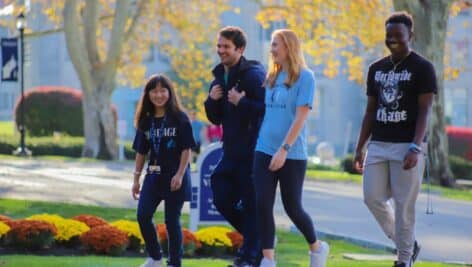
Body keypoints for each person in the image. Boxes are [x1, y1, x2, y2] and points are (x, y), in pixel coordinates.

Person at [353, 11, 437, 267]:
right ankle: (408, 244)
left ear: (410, 35)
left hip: (407, 146)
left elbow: (425, 110)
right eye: (388, 36)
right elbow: (370, 111)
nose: (392, 40)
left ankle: (403, 260)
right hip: (378, 143)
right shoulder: (376, 69)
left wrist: (415, 146)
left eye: (398, 36)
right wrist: (360, 147)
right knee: (371, 197)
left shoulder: (423, 68)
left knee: (403, 206)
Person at [253, 29, 329, 267]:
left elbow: (300, 118)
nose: (272, 49)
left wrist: (284, 149)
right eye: (272, 45)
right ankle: (268, 260)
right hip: (264, 148)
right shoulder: (271, 77)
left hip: (292, 153)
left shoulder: (306, 77)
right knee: (262, 203)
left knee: (292, 207)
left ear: (289, 47)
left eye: (276, 45)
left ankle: (317, 248)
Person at [204, 26, 266, 267]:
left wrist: (242, 102)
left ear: (240, 49)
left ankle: (249, 257)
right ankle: (260, 239)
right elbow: (216, 118)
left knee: (251, 205)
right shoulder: (219, 76)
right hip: (230, 151)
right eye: (219, 46)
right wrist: (212, 101)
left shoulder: (253, 75)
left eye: (226, 47)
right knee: (220, 195)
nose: (221, 51)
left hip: (253, 152)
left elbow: (267, 110)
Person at [132, 74, 195, 267]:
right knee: (143, 215)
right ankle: (155, 257)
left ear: (169, 92)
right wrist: (136, 179)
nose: (158, 95)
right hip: (153, 176)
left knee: (171, 221)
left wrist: (180, 174)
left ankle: (174, 263)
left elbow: (187, 149)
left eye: (162, 90)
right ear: (148, 94)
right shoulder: (146, 120)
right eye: (154, 91)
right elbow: (141, 152)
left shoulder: (179, 118)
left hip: (175, 177)